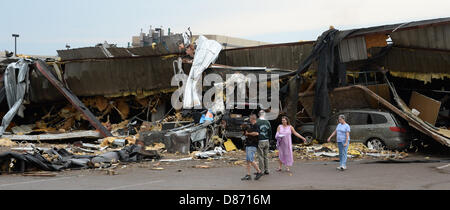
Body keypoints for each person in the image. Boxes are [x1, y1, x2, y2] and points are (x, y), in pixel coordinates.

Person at [241, 114, 264, 181]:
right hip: (248, 144)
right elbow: (247, 133)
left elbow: (256, 133)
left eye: (250, 119)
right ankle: (248, 175)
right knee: (248, 160)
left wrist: (248, 134)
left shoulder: (256, 125)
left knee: (251, 159)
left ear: (252, 119)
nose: (249, 120)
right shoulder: (251, 126)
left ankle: (259, 172)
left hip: (253, 144)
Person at [256, 110, 272, 175]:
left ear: (259, 115)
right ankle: (267, 170)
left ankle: (261, 170)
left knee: (260, 156)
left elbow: (256, 132)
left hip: (260, 140)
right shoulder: (267, 122)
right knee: (266, 156)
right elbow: (270, 131)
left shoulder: (257, 122)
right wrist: (269, 139)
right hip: (266, 140)